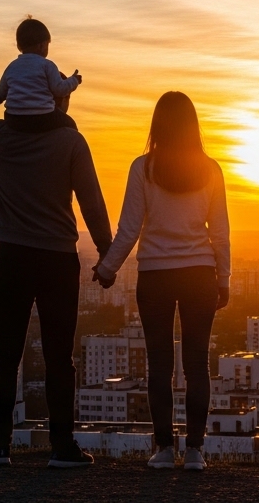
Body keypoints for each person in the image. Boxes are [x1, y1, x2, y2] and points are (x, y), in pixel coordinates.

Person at [0, 34, 112, 468]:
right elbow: (92, 203)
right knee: (60, 356)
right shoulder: (70, 141)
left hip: (11, 259)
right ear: (54, 97)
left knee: (5, 354)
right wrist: (107, 256)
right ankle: (62, 448)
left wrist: (0, 92)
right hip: (58, 261)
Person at [92, 91, 230, 472]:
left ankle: (165, 450)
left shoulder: (143, 168)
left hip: (154, 275)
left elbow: (129, 229)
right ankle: (197, 452)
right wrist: (224, 279)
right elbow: (220, 233)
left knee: (159, 365)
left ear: (157, 124)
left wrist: (106, 269)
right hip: (200, 275)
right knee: (197, 364)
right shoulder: (211, 169)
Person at [0, 16, 82, 119]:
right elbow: (60, 90)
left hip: (13, 118)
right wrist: (74, 80)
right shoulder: (47, 65)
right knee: (69, 123)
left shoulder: (12, 66)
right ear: (41, 45)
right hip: (42, 117)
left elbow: (1, 91)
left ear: (19, 46)